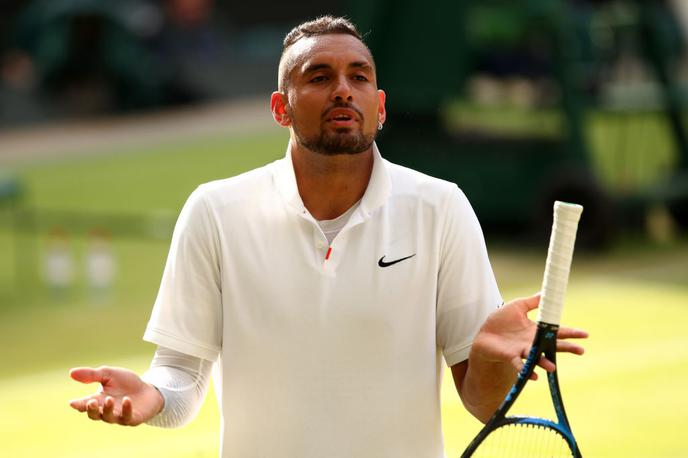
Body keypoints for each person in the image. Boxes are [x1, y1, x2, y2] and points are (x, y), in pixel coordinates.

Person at [69, 16, 587, 457]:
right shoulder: (215, 210)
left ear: (379, 107)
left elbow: (485, 404)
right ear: (280, 108)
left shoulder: (441, 207)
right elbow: (180, 382)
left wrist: (492, 361)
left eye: (358, 76)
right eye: (319, 76)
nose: (343, 88)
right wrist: (153, 397)